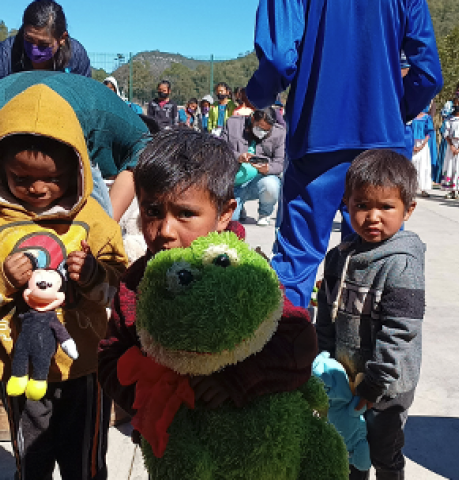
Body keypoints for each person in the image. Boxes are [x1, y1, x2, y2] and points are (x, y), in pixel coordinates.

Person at [0, 84, 128, 479]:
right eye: (21, 177)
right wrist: (1, 280)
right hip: (19, 370)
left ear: (77, 169)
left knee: (86, 463)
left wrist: (93, 276)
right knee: (32, 464)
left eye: (55, 178)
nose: (38, 189)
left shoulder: (94, 220)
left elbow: (121, 285)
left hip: (84, 369)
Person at [97, 128, 319, 446]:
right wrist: (148, 391)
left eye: (186, 214)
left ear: (224, 214)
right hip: (175, 447)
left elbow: (296, 343)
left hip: (245, 445)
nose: (165, 231)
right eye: (152, 211)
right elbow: (110, 354)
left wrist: (238, 381)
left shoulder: (247, 276)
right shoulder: (136, 283)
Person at [243, 0, 442, 308]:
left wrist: (258, 94)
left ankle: (285, 348)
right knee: (374, 260)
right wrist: (392, 111)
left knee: (297, 258)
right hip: (383, 143)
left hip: (317, 138)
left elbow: (279, 59)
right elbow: (428, 74)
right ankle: (362, 351)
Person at [316, 150, 424, 480]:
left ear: (409, 208)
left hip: (386, 388)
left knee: (383, 452)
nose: (372, 216)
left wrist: (373, 385)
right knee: (347, 447)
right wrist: (322, 358)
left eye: (386, 206)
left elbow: (400, 332)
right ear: (346, 204)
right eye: (362, 205)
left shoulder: (402, 263)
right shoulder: (338, 257)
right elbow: (325, 316)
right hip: (344, 379)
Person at [0, 71, 151, 221]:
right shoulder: (142, 137)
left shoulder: (105, 111)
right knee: (85, 232)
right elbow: (107, 219)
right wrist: (104, 234)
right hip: (28, 128)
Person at [0, 0, 91, 100]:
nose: (34, 49)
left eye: (44, 44)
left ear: (62, 38)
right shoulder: (5, 53)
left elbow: (84, 99)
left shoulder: (76, 56)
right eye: (29, 39)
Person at [222, 107, 286, 226]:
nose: (263, 132)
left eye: (267, 130)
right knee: (230, 222)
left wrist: (268, 169)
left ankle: (264, 214)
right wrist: (238, 157)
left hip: (257, 181)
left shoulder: (279, 133)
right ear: (252, 119)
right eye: (260, 128)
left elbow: (280, 162)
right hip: (234, 183)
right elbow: (221, 150)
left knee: (271, 185)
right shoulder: (232, 123)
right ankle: (239, 207)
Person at [411, 107, 434, 198]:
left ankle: (423, 189)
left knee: (423, 165)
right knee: (412, 165)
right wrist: (412, 145)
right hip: (412, 142)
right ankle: (412, 188)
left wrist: (422, 145)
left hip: (423, 143)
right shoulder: (411, 118)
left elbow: (429, 132)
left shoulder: (427, 118)